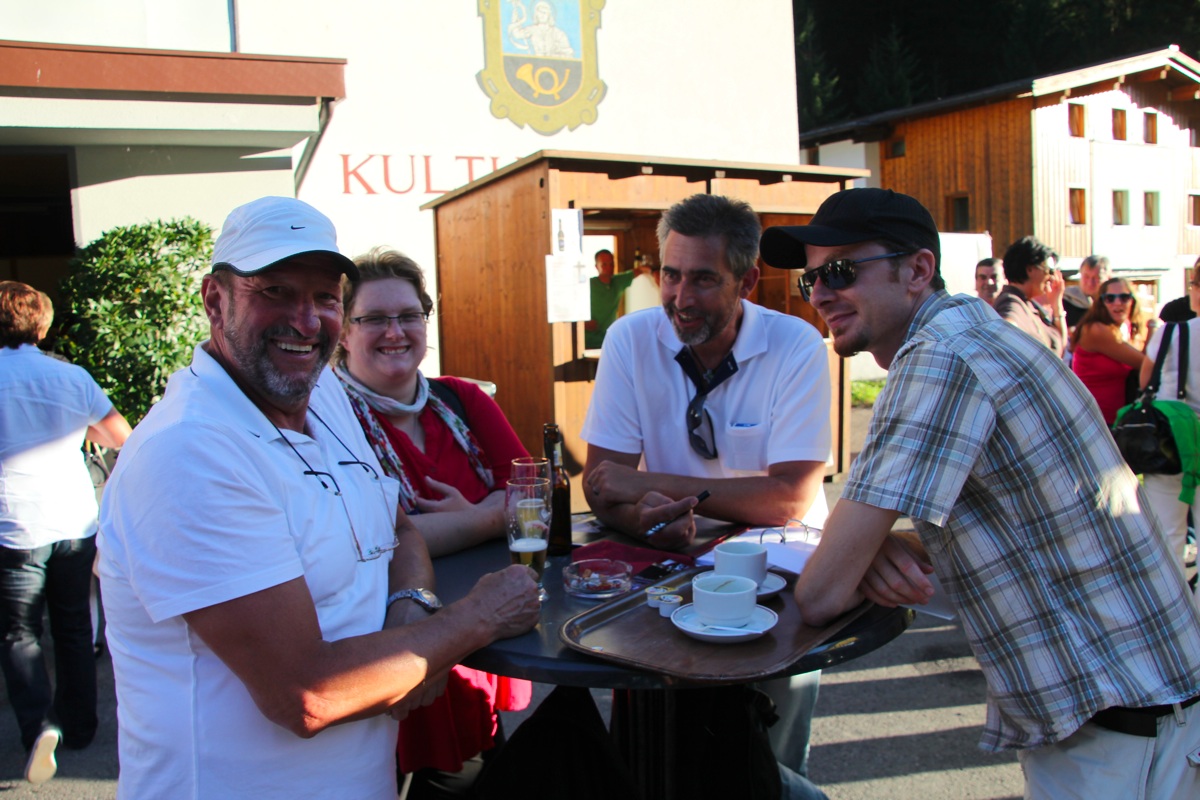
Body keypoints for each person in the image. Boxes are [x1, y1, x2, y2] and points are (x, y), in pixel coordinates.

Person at [760, 187, 1200, 800]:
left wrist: (858, 552)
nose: (821, 295)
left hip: (1123, 737)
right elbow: (1016, 520)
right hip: (1138, 712)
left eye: (839, 271)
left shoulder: (940, 357)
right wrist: (879, 546)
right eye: (812, 281)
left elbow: (822, 593)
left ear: (918, 270)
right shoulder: (971, 329)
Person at [97, 196, 540, 799]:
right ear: (215, 300)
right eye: (275, 291)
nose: (306, 321)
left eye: (325, 298)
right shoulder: (189, 451)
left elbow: (397, 530)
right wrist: (473, 620)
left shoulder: (323, 392)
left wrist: (411, 613)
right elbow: (306, 693)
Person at [582, 193, 831, 799]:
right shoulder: (630, 339)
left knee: (769, 764)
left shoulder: (796, 344)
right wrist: (644, 519)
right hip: (675, 569)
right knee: (664, 753)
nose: (680, 297)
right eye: (671, 275)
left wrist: (649, 486)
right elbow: (603, 485)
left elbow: (790, 500)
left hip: (782, 579)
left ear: (747, 281)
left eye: (703, 279)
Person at [332, 247, 532, 795]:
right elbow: (366, 539)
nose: (395, 332)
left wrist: (460, 521)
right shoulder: (326, 421)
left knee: (464, 773)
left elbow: (536, 496)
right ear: (343, 332)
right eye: (374, 318)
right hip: (381, 640)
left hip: (473, 632)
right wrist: (488, 517)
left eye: (409, 315)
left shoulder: (462, 398)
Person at [0, 282, 131, 786]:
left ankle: (39, 726)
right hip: (74, 520)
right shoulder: (72, 377)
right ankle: (79, 726)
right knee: (74, 626)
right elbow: (120, 436)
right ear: (42, 325)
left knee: (19, 632)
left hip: (13, 523)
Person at [1139, 269, 1200, 587]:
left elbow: (1145, 381)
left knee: (1167, 535)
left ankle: (1175, 610)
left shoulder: (1171, 333)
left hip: (1169, 441)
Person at [1069, 277, 1144, 424]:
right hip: (1093, 419)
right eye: (1110, 298)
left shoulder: (1123, 328)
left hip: (1115, 419)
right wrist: (1153, 327)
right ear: (1101, 303)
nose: (1118, 302)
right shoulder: (1096, 330)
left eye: (1124, 297)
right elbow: (1144, 363)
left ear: (1132, 301)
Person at [993, 236, 1066, 356]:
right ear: (1030, 269)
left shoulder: (1028, 304)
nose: (1051, 277)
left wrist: (1056, 304)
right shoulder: (1011, 302)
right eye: (1048, 270)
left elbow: (1059, 348)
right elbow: (1003, 331)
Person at [584, 249, 635, 349]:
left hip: (608, 342)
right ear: (596, 267)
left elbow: (639, 271)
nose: (609, 267)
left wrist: (655, 273)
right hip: (587, 343)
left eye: (611, 264)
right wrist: (582, 323)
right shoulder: (588, 285)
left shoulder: (618, 282)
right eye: (604, 264)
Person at [1063, 254, 1110, 329]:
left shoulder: (1114, 303)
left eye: (1096, 278)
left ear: (1108, 278)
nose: (1090, 283)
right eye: (1086, 277)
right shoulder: (1064, 301)